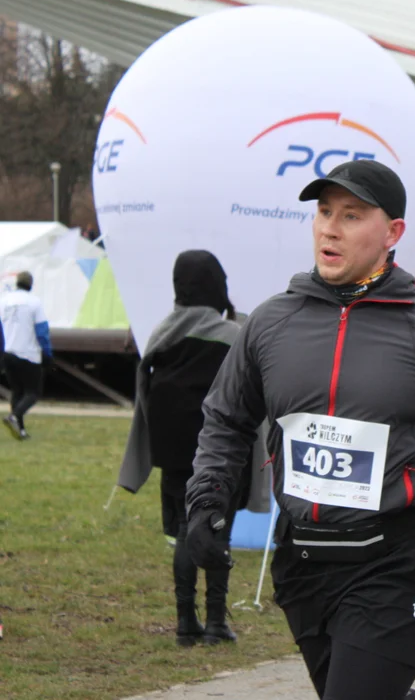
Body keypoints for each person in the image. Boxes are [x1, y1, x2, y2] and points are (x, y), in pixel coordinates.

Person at [183, 159, 415, 700]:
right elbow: (226, 418)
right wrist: (207, 499)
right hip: (305, 563)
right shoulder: (270, 324)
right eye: (323, 212)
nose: (330, 228)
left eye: (351, 215)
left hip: (398, 560)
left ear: (392, 233)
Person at [117, 250, 248, 647]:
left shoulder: (162, 335)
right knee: (217, 530)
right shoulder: (234, 338)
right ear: (217, 286)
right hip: (222, 453)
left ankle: (184, 622)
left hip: (173, 450)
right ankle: (215, 623)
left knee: (182, 531)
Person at [0, 271, 52, 440]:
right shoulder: (34, 302)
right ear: (30, 284)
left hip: (8, 351)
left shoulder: (5, 301)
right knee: (33, 392)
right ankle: (15, 417)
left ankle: (20, 430)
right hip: (28, 353)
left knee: (17, 391)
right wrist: (47, 352)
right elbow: (42, 331)